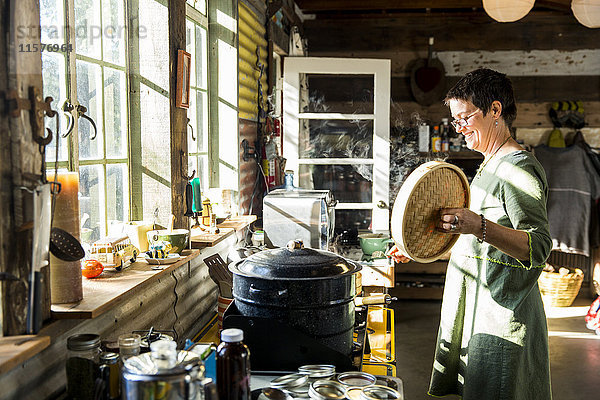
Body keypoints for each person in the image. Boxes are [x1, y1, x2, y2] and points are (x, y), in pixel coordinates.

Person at [388, 68, 553, 399]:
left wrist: (477, 224)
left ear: (495, 110)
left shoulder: (519, 169)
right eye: (455, 121)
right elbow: (481, 244)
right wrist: (427, 248)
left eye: (465, 118)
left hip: (504, 313)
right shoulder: (488, 165)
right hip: (479, 309)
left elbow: (538, 247)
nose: (459, 128)